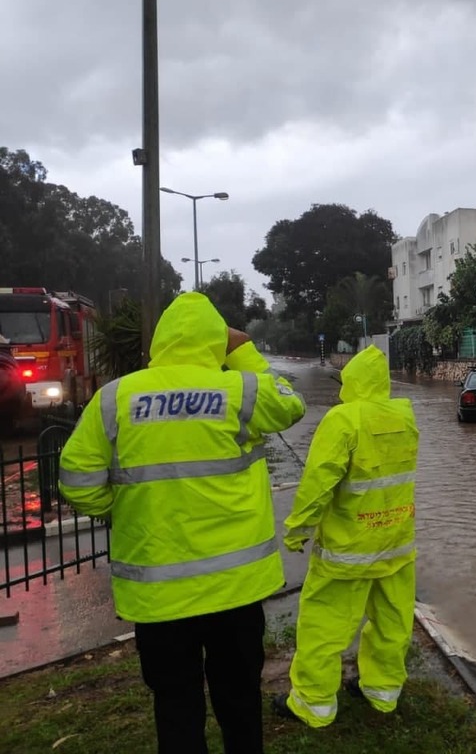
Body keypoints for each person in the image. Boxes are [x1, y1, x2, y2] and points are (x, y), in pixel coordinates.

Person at [58, 292, 306, 754]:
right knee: (240, 702)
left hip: (160, 595)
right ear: (216, 341)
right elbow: (291, 404)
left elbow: (76, 481)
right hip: (236, 590)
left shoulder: (115, 399)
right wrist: (244, 350)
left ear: (160, 341)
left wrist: (118, 509)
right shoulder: (241, 391)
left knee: (176, 706)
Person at [272, 344, 419, 728]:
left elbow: (318, 483)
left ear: (351, 380)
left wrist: (298, 530)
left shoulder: (343, 420)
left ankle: (313, 703)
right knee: (392, 623)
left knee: (324, 626)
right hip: (396, 543)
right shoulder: (405, 417)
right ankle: (382, 693)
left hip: (348, 550)